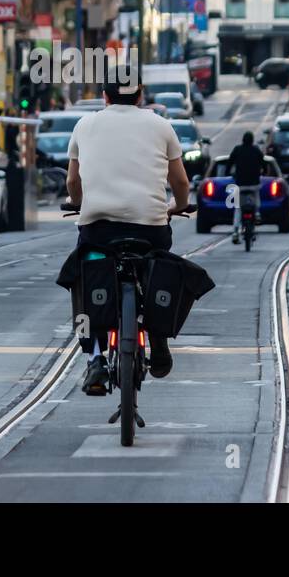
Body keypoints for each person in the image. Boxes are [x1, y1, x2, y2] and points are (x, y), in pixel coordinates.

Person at [66, 67, 190, 395]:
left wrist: (81, 203)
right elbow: (180, 182)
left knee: (83, 280)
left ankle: (94, 357)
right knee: (160, 268)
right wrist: (178, 206)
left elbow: (73, 182)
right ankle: (159, 338)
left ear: (104, 96)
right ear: (140, 95)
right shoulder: (162, 126)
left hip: (98, 228)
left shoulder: (84, 125)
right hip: (150, 227)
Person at [226, 131, 266, 244]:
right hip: (254, 184)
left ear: (243, 139)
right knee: (256, 195)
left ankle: (235, 232)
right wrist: (264, 171)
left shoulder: (237, 149)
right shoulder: (256, 150)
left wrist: (228, 172)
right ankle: (257, 213)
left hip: (240, 184)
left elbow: (229, 162)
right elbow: (263, 163)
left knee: (238, 208)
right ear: (252, 140)